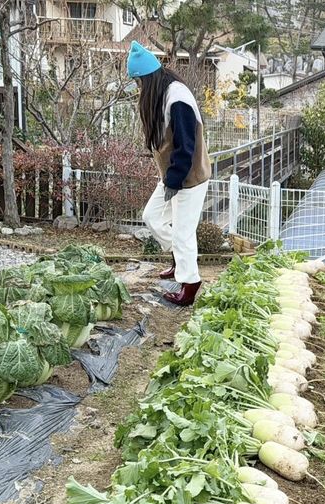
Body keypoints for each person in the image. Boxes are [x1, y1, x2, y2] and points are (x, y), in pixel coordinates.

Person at [127, 41, 211, 306]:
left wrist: (174, 180)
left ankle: (190, 283)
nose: (139, 88)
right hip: (174, 177)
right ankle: (178, 259)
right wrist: (170, 179)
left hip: (190, 177)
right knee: (152, 217)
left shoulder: (178, 98)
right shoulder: (164, 93)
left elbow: (186, 146)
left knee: (184, 233)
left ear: (148, 78)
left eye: (139, 82)